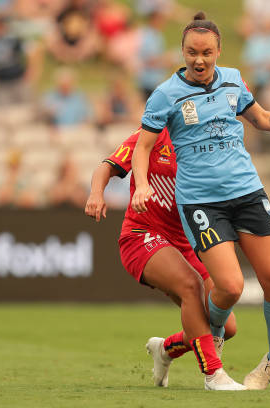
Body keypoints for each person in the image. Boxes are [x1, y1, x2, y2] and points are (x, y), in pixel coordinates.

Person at [131, 11, 270, 390]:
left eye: (206, 52)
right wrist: (140, 185)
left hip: (247, 192)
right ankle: (211, 350)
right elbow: (143, 147)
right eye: (191, 52)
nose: (199, 60)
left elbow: (264, 118)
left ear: (219, 50)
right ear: (182, 52)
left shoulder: (233, 80)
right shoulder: (166, 93)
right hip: (201, 202)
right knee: (230, 287)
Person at [85, 127, 240, 390]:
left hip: (186, 243)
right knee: (191, 285)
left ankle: (165, 349)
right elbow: (107, 166)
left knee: (226, 326)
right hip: (141, 235)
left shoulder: (207, 142)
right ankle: (214, 375)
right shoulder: (151, 135)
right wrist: (96, 193)